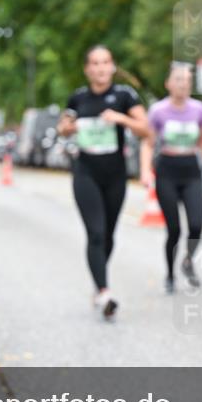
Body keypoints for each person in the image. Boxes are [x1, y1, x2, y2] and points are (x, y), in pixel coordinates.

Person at [57, 45, 149, 318]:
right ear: (87, 69)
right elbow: (63, 126)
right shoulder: (79, 98)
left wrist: (120, 118)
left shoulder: (124, 95)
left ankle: (98, 284)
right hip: (86, 172)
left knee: (108, 235)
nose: (100, 68)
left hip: (115, 174)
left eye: (105, 62)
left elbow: (146, 129)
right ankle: (104, 291)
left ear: (112, 67)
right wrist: (67, 127)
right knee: (95, 233)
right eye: (95, 63)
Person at [140, 62, 202, 294]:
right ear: (168, 83)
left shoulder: (198, 109)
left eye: (187, 81)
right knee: (174, 230)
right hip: (167, 170)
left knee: (197, 225)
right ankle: (169, 274)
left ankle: (188, 261)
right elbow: (148, 144)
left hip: (191, 171)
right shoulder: (158, 110)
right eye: (178, 80)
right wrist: (146, 171)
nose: (183, 84)